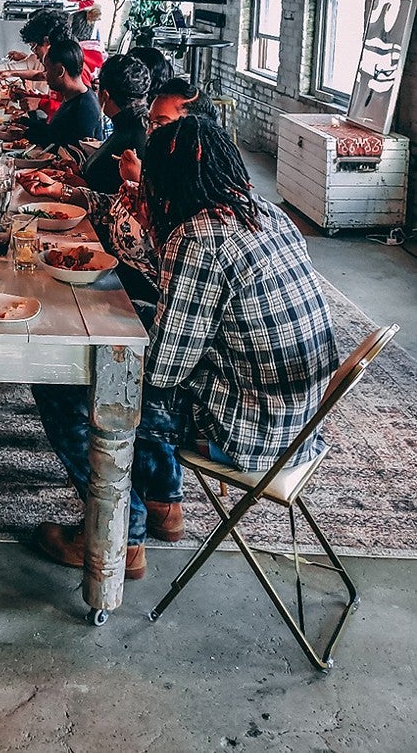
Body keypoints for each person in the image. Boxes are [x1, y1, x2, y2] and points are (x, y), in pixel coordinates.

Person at [35, 116, 339, 580]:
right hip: (296, 419)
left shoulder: (199, 235)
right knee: (121, 319)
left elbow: (160, 370)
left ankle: (119, 535)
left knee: (63, 378)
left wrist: (93, 341)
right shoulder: (262, 211)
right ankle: (163, 505)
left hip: (245, 432)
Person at [77, 53, 151, 194]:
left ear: (105, 95)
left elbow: (116, 195)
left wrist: (80, 188)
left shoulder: (132, 133)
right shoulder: (135, 124)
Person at [20, 32, 104, 152]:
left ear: (60, 71)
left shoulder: (84, 108)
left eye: (48, 70)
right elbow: (55, 133)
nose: (46, 76)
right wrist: (23, 124)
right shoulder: (72, 95)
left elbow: (68, 153)